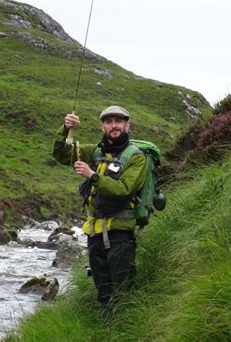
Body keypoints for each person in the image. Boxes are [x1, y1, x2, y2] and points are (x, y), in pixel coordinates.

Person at [53, 105, 147, 318]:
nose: (114, 126)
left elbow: (124, 190)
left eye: (118, 121)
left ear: (127, 124)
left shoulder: (136, 157)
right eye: (109, 122)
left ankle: (127, 330)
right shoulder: (94, 152)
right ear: (103, 126)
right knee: (103, 292)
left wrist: (92, 175)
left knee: (122, 293)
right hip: (94, 234)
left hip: (121, 234)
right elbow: (61, 154)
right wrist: (66, 129)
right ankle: (108, 331)